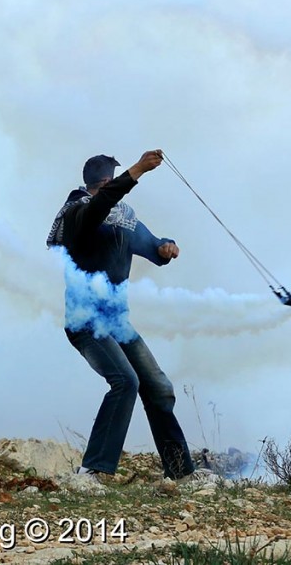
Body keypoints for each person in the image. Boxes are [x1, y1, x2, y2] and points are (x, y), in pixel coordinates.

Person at [47, 149, 197, 480]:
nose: (115, 185)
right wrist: (137, 171)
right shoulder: (78, 213)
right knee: (125, 381)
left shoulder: (122, 216)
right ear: (99, 183)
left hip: (117, 323)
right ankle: (93, 471)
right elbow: (101, 206)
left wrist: (165, 247)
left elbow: (151, 244)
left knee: (157, 387)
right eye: (111, 181)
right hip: (85, 323)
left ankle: (181, 472)